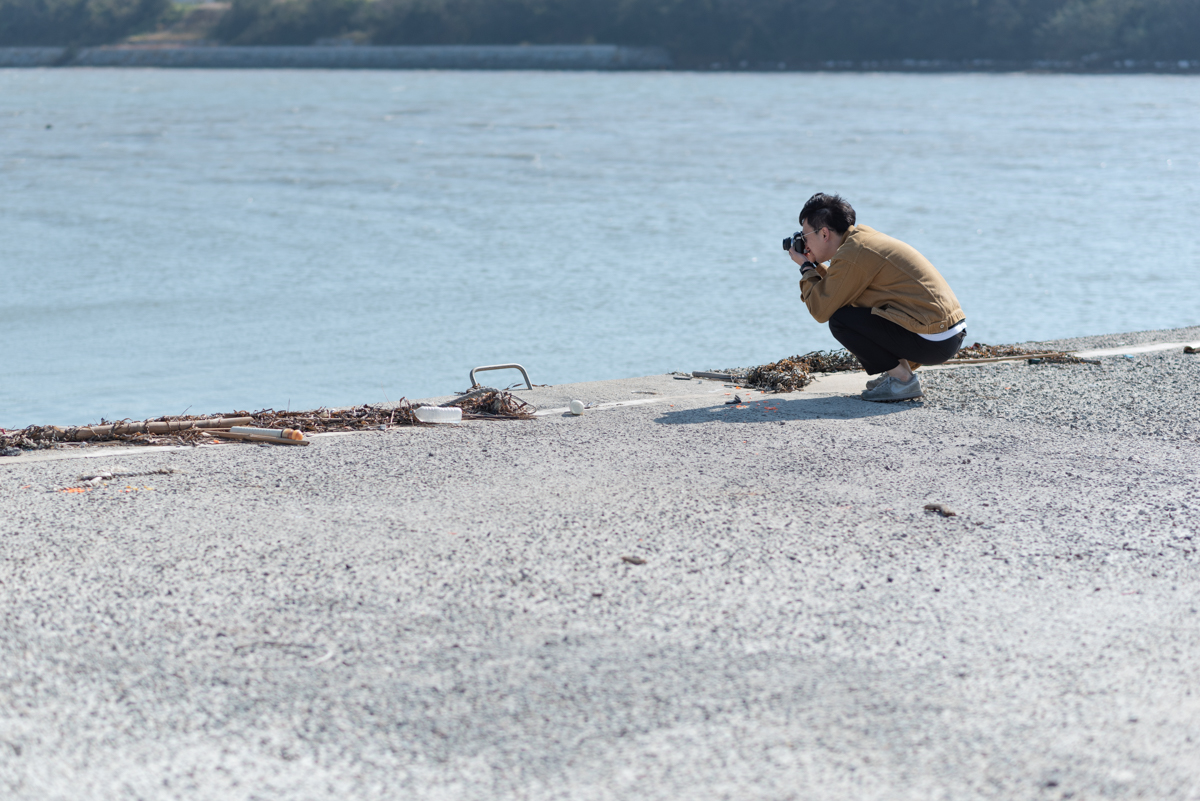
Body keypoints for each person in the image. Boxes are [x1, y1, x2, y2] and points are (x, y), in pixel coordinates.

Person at [787, 193, 966, 402]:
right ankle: (898, 375)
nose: (804, 244)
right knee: (856, 310)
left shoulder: (853, 254)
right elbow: (838, 289)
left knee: (841, 320)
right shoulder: (860, 243)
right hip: (946, 334)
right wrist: (814, 265)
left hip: (935, 339)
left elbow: (821, 310)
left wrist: (806, 267)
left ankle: (903, 380)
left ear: (824, 233)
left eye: (805, 236)